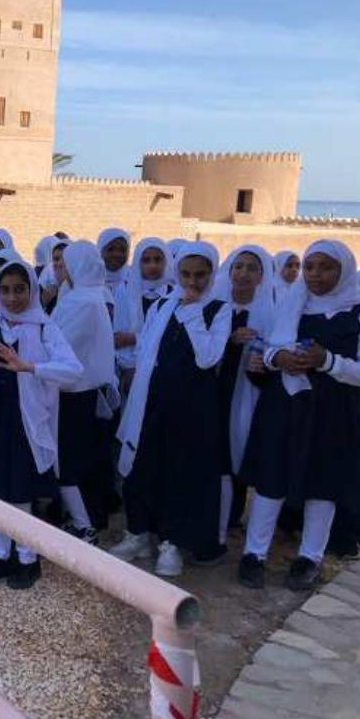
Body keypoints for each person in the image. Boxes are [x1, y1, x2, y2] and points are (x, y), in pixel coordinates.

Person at [238, 240, 360, 590]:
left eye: (326, 267)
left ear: (344, 270)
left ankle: (310, 557)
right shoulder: (295, 302)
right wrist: (279, 359)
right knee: (271, 477)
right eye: (310, 267)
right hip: (287, 406)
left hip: (332, 412)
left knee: (321, 484)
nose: (315, 275)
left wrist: (328, 362)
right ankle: (254, 554)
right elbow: (274, 345)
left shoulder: (359, 312)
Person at [112, 241, 231, 577]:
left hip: (192, 409)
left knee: (179, 473)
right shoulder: (162, 304)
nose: (192, 281)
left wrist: (192, 310)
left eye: (200, 275)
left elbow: (208, 357)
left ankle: (171, 542)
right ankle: (137, 534)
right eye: (186, 274)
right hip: (153, 401)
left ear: (211, 274)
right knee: (141, 467)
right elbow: (147, 349)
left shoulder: (218, 309)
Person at [0, 260, 82, 589]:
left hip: (26, 423)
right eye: (5, 289)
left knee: (21, 493)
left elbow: (73, 370)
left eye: (19, 289)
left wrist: (31, 367)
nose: (13, 297)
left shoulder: (44, 328)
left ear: (31, 290)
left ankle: (27, 558)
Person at [206, 245, 275, 559]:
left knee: (239, 449)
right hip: (215, 393)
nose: (244, 273)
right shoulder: (216, 307)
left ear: (261, 276)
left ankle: (231, 516)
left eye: (251, 268)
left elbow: (275, 358)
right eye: (239, 266)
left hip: (248, 394)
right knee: (215, 450)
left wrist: (263, 365)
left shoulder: (269, 314)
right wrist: (230, 342)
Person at [51, 241, 116, 545]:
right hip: (81, 390)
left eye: (65, 263)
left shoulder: (82, 301)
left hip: (73, 391)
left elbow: (61, 342)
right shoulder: (90, 296)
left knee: (66, 460)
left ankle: (83, 525)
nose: (61, 269)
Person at [113, 238, 175, 392]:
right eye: (146, 260)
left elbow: (170, 337)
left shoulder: (174, 293)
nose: (152, 265)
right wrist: (129, 367)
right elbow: (120, 336)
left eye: (158, 259)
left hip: (165, 367)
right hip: (132, 368)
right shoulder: (125, 289)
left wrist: (134, 338)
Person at [97, 227, 132, 319]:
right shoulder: (89, 281)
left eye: (122, 250)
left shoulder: (135, 281)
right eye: (110, 249)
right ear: (100, 250)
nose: (116, 254)